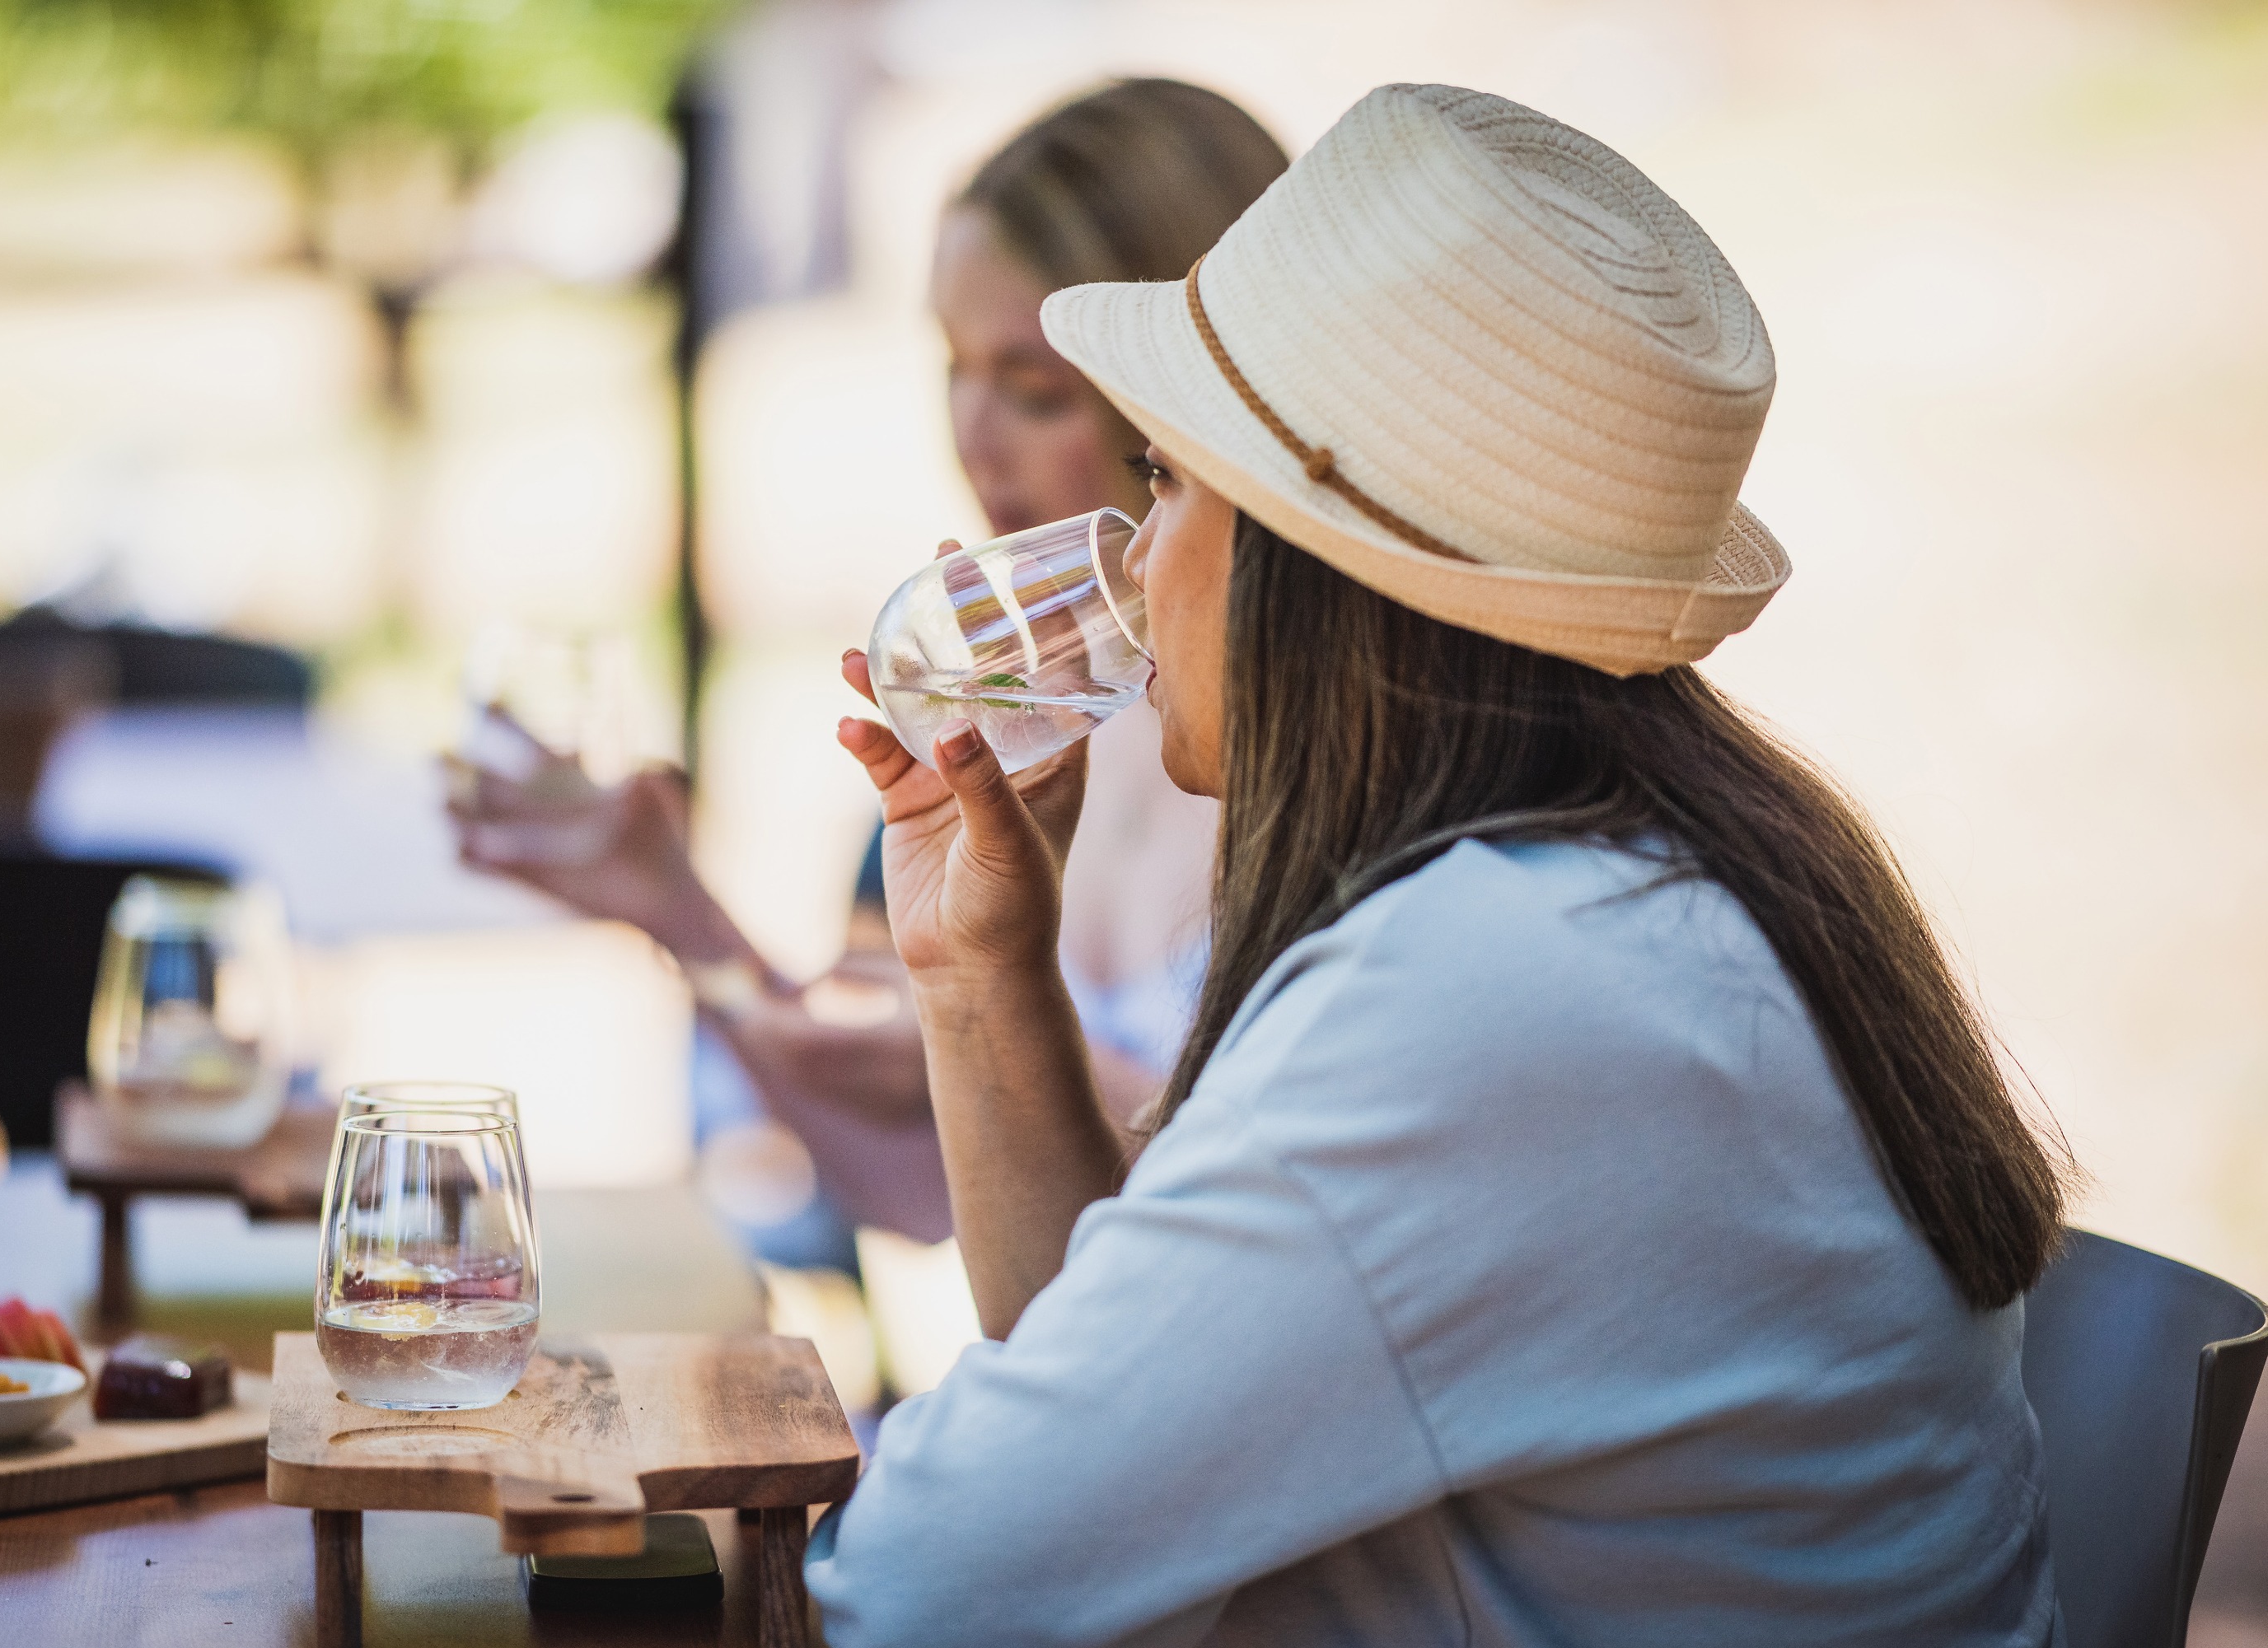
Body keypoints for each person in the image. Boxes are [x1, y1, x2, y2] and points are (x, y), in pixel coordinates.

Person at [805, 84, 2069, 1645]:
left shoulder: (1486, 987)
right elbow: (1106, 1401)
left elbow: (932, 1580)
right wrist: (981, 968)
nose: (1134, 560)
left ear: (1306, 563)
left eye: (1165, 480)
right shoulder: (1678, 874)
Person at [451, 81, 1286, 1253]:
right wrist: (675, 908)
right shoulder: (1018, 718)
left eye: (1035, 388)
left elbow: (1281, 1204)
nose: (974, 436)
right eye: (953, 368)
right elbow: (910, 1189)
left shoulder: (1303, 757)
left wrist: (995, 1023)